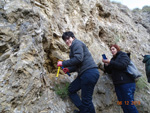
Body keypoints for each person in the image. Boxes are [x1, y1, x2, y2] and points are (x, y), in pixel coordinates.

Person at [57, 31, 100, 113]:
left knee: (86, 100)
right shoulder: (74, 47)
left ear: (73, 37)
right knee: (71, 90)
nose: (66, 41)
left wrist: (63, 63)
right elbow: (78, 63)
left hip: (89, 73)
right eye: (65, 40)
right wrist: (69, 69)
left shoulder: (76, 43)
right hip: (85, 74)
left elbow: (78, 58)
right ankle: (83, 110)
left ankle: (84, 110)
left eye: (68, 38)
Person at [102, 44, 138, 113]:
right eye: (111, 50)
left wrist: (110, 62)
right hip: (118, 85)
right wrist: (106, 65)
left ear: (117, 49)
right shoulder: (113, 59)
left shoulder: (123, 55)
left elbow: (122, 65)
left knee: (129, 105)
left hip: (127, 84)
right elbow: (109, 71)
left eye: (113, 49)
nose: (112, 51)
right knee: (123, 106)